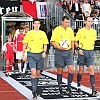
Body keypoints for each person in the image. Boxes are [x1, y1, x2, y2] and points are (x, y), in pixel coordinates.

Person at [23, 18, 48, 99]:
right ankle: (33, 91)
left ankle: (36, 89)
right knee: (33, 72)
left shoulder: (43, 33)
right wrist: (24, 54)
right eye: (35, 23)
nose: (37, 25)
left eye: (38, 23)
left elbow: (45, 44)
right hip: (31, 55)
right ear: (33, 24)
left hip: (40, 55)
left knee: (37, 73)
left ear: (40, 25)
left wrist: (44, 52)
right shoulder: (29, 33)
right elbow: (24, 44)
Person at [74, 16, 99, 96]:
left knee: (92, 70)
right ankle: (78, 85)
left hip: (90, 52)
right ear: (85, 22)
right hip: (82, 52)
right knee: (81, 70)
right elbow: (75, 41)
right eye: (89, 21)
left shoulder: (94, 32)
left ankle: (93, 90)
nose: (90, 23)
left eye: (91, 21)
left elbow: (94, 41)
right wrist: (79, 49)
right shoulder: (80, 31)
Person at [50, 16, 74, 97]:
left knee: (71, 69)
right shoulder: (57, 29)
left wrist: (73, 51)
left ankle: (69, 87)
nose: (67, 24)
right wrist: (58, 47)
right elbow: (52, 41)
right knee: (60, 70)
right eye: (66, 22)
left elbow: (72, 41)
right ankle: (60, 87)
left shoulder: (70, 30)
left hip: (68, 52)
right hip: (59, 51)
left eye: (68, 22)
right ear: (62, 22)